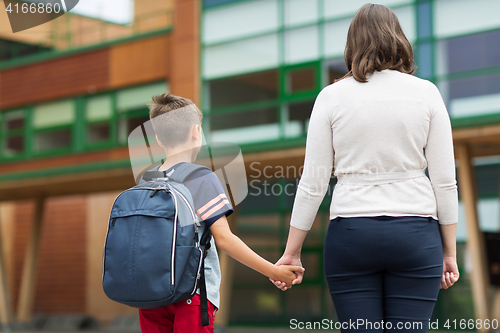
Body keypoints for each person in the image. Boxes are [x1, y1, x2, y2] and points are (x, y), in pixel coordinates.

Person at [271, 3, 459, 332]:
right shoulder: (427, 93)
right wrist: (449, 252)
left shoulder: (330, 97)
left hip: (352, 236)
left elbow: (313, 184)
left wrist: (292, 252)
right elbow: (444, 182)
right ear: (398, 39)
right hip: (416, 235)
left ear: (352, 44)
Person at [137, 93, 304, 333]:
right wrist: (273, 271)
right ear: (196, 132)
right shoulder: (200, 178)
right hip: (192, 295)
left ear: (159, 140)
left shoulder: (147, 179)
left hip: (152, 294)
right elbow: (224, 239)